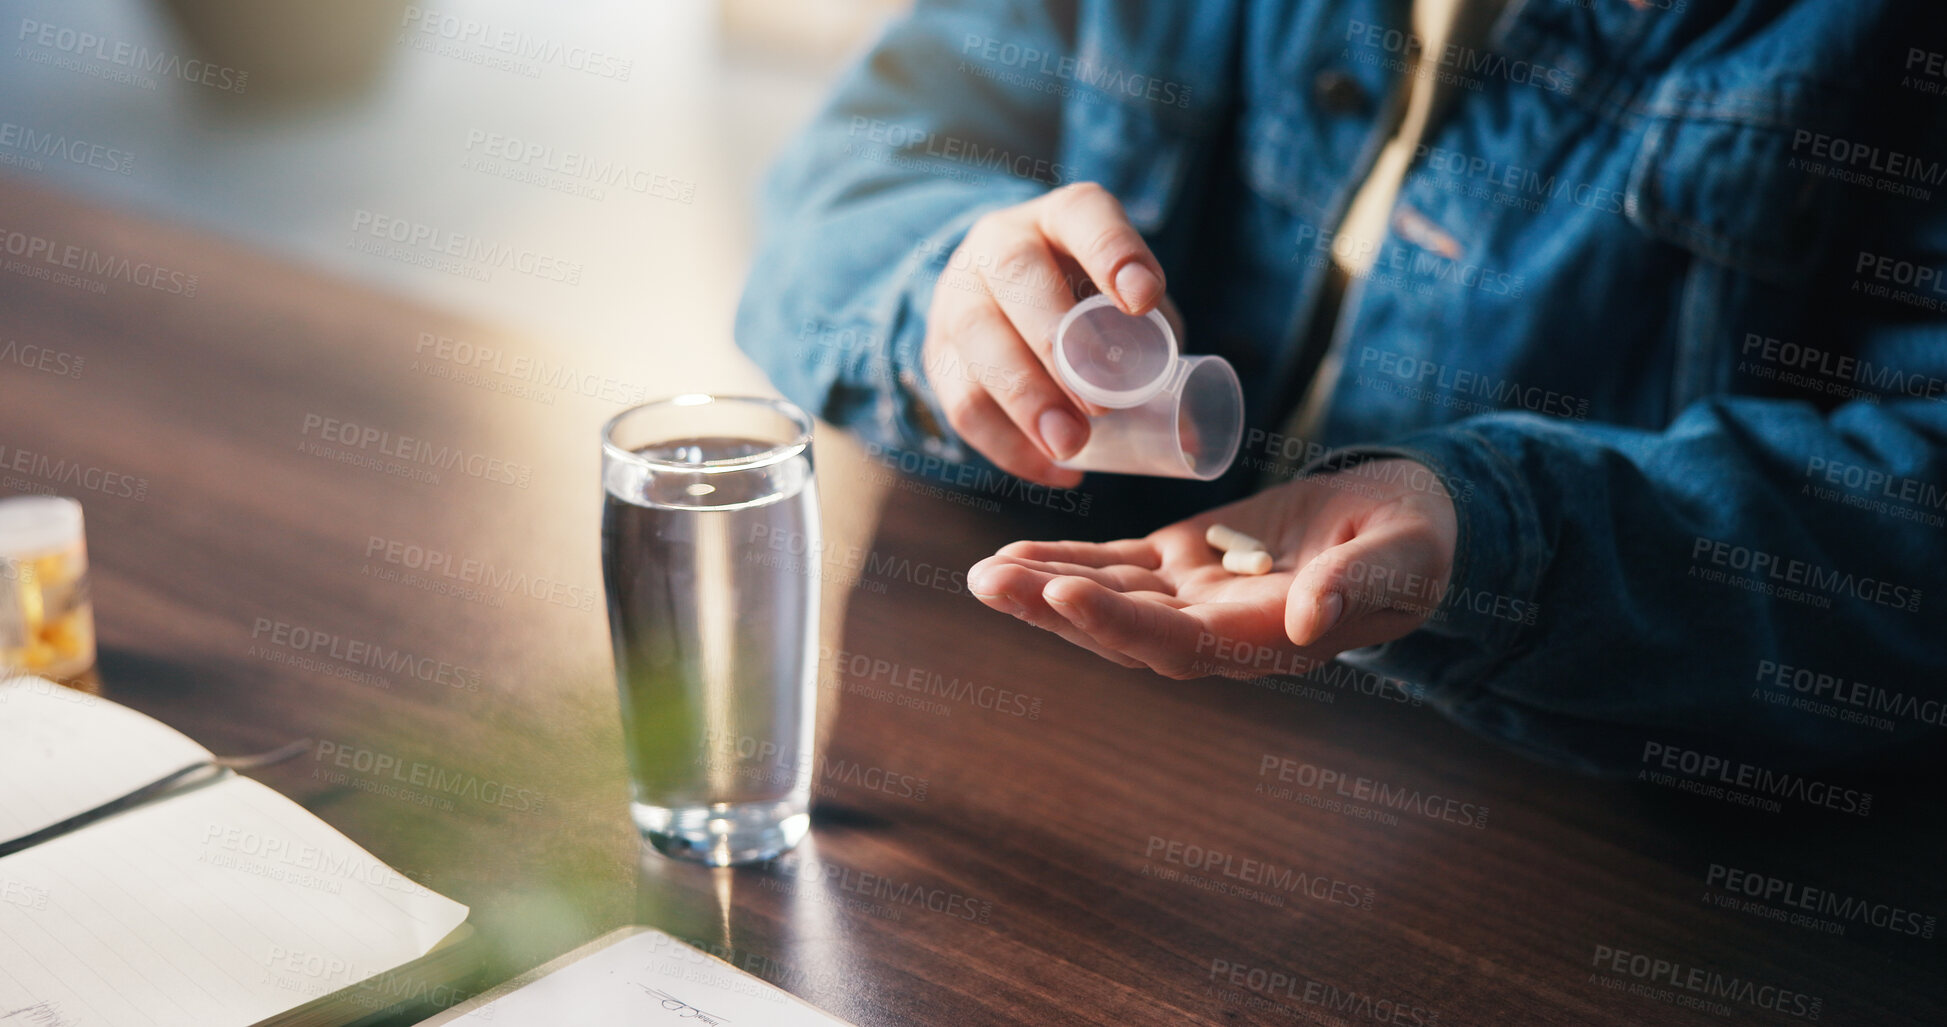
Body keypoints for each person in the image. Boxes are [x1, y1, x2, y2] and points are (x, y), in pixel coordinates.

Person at [736, 0, 1947, 774]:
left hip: (1558, 842)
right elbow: (848, 176)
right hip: (1035, 728)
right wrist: (944, 296)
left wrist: (1502, 530)